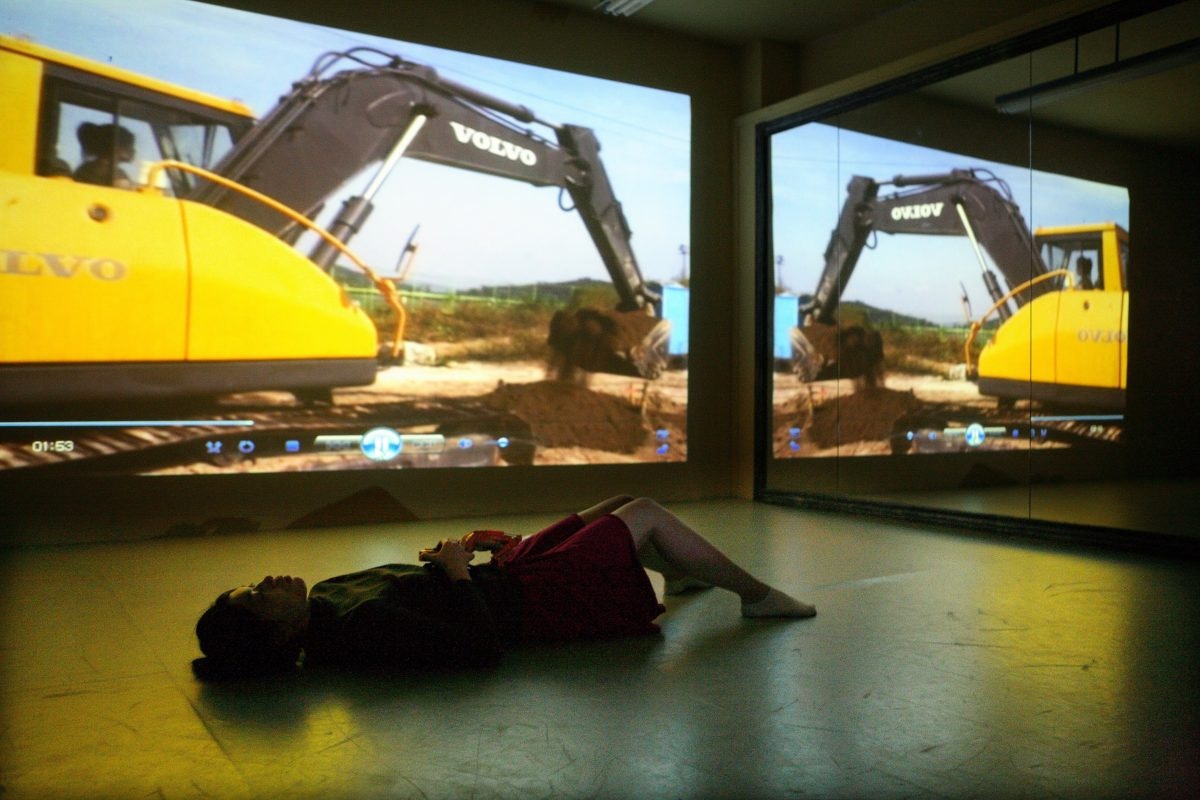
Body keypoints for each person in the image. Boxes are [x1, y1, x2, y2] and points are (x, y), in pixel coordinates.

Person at [192, 496, 816, 680]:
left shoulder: (327, 594)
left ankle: (679, 571)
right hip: (536, 604)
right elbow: (478, 648)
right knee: (644, 512)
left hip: (509, 580)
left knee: (617, 505)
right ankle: (755, 597)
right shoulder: (358, 631)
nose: (267, 581)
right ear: (278, 632)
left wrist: (449, 560)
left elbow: (423, 587)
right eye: (258, 595)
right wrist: (461, 576)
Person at [73, 122, 136, 188]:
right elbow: (124, 195)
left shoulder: (85, 168)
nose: (133, 151)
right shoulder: (114, 174)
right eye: (129, 146)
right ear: (116, 147)